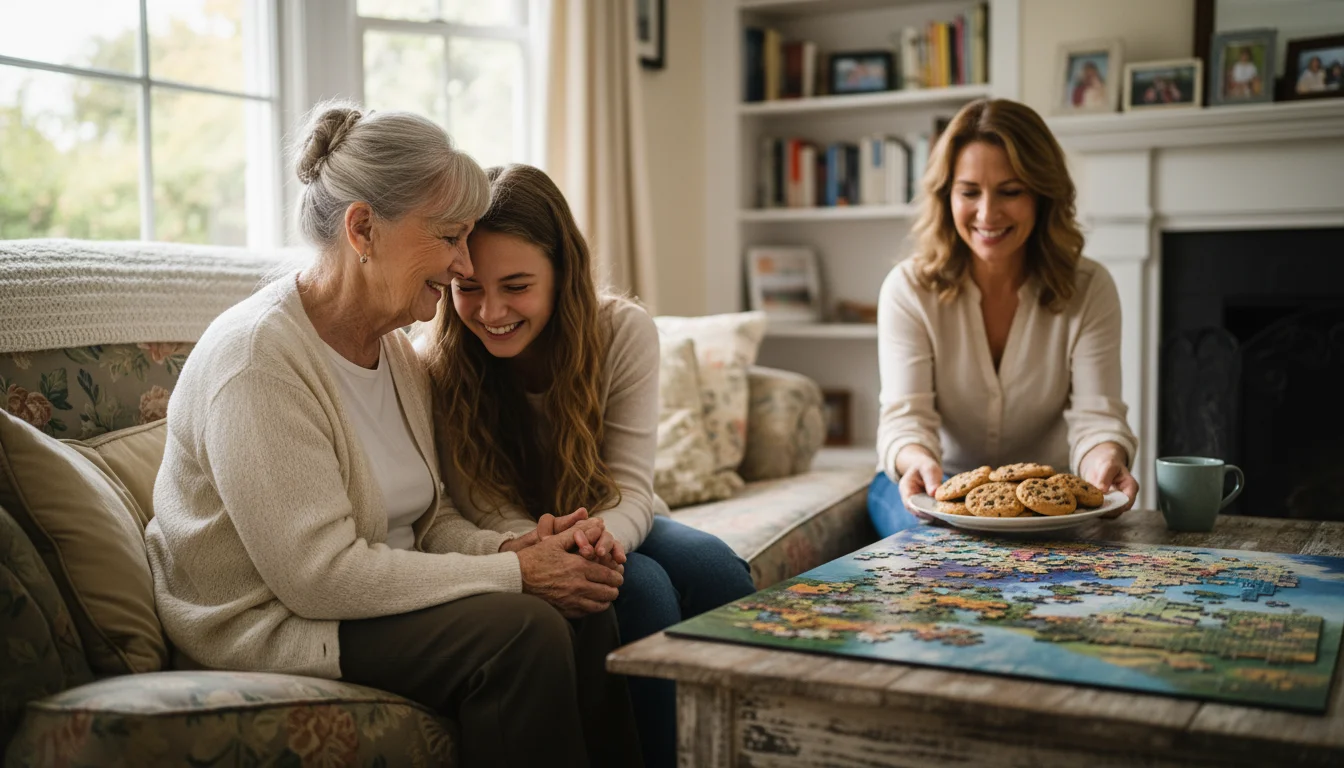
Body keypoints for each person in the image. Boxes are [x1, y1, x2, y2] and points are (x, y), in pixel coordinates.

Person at [144, 103, 641, 768]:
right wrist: (515, 572)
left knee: (584, 607)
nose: (464, 263)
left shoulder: (400, 355)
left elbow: (430, 519)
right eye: (448, 237)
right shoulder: (258, 359)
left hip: (367, 600)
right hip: (276, 623)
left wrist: (517, 546)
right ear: (363, 229)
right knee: (523, 633)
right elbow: (318, 578)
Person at [422, 163, 758, 768]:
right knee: (645, 591)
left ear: (561, 271)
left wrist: (594, 541)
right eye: (469, 287)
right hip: (523, 538)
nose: (490, 310)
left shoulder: (621, 331)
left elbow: (631, 487)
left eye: (517, 285)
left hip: (617, 522)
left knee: (717, 569)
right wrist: (544, 552)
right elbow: (478, 500)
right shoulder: (443, 360)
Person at [867, 98, 1140, 538]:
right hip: (930, 488)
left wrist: (1105, 461)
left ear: (1042, 196)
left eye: (1011, 191)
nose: (987, 213)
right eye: (969, 191)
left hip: (1042, 497)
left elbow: (1097, 417)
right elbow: (906, 417)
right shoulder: (908, 290)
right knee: (939, 552)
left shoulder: (1090, 288)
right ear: (947, 195)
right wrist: (916, 461)